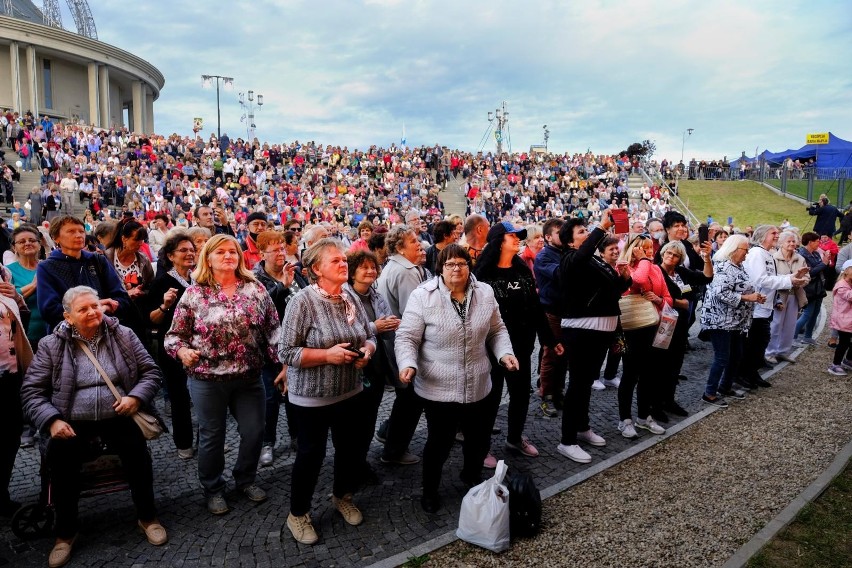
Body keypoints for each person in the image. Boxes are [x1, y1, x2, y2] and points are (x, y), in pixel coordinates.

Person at [21, 286, 166, 567]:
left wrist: (135, 397)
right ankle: (65, 533)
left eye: (95, 306)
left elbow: (151, 371)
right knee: (61, 466)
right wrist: (52, 420)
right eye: (83, 309)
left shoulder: (122, 334)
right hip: (72, 419)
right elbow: (32, 392)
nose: (92, 312)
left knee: (137, 456)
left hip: (119, 413)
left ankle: (148, 517)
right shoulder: (51, 344)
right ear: (68, 316)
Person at [164, 234, 281, 515]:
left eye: (233, 251)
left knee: (254, 431)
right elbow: (173, 337)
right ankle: (213, 488)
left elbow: (274, 332)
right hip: (207, 379)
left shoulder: (256, 290)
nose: (228, 256)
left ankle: (245, 479)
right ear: (209, 258)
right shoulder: (194, 294)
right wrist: (182, 352)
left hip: (249, 377)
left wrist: (285, 364)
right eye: (221, 252)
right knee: (212, 436)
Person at [395, 244, 517, 513]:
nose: (456, 269)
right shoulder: (423, 296)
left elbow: (497, 330)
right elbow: (407, 336)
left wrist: (504, 353)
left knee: (478, 440)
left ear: (469, 266)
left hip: (479, 383)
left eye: (461, 263)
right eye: (450, 264)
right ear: (440, 267)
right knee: (439, 443)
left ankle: (471, 477)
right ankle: (430, 490)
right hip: (439, 387)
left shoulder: (484, 292)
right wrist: (408, 363)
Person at [277, 239, 377, 544]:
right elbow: (287, 352)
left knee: (350, 449)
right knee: (311, 455)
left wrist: (369, 350)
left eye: (343, 259)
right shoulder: (302, 302)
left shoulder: (349, 296)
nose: (343, 264)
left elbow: (368, 332)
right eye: (335, 261)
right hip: (313, 397)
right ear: (316, 269)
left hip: (350, 391)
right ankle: (298, 514)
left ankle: (342, 495)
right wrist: (326, 356)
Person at [475, 222, 559, 461]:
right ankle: (481, 447)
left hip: (522, 345)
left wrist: (549, 339)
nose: (518, 239)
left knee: (521, 394)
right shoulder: (483, 273)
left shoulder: (521, 268)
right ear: (498, 241)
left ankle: (514, 438)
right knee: (490, 398)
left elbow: (535, 306)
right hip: (490, 349)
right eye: (512, 236)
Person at [557, 211, 631, 463]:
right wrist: (601, 227)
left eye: (587, 231)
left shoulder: (595, 262)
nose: (587, 234)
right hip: (581, 330)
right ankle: (566, 441)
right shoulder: (569, 259)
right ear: (568, 241)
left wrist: (624, 278)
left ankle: (582, 426)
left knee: (586, 382)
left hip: (601, 330)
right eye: (581, 232)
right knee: (577, 385)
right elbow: (579, 258)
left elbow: (613, 291)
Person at [345, 250, 400, 484]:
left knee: (369, 419)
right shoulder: (344, 296)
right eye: (364, 267)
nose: (370, 271)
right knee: (353, 422)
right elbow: (347, 331)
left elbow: (387, 321)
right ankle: (350, 465)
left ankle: (361, 461)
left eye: (373, 267)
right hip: (354, 368)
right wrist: (376, 327)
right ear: (352, 271)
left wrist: (391, 324)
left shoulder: (376, 295)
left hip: (377, 366)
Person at [252, 230, 305, 467]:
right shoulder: (255, 278)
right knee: (270, 397)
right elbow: (259, 310)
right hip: (268, 349)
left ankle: (297, 435)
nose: (280, 253)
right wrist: (281, 286)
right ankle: (267, 442)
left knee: (296, 393)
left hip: (296, 345)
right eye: (275, 250)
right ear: (263, 253)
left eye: (282, 248)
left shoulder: (295, 273)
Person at [375, 225, 426, 466]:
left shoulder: (395, 266)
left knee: (406, 397)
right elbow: (414, 313)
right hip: (404, 345)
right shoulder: (406, 271)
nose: (419, 243)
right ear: (399, 247)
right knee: (411, 399)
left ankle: (388, 433)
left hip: (394, 343)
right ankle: (394, 449)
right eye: (413, 240)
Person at [617, 232, 672, 438]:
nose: (650, 252)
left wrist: (658, 299)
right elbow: (637, 281)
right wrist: (643, 260)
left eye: (651, 248)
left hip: (653, 324)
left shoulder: (656, 268)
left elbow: (668, 297)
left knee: (649, 374)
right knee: (630, 374)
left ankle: (643, 416)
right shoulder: (624, 267)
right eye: (644, 248)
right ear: (634, 249)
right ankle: (625, 420)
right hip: (632, 328)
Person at [146, 232, 197, 459]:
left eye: (191, 250)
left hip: (201, 345)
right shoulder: (162, 282)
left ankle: (207, 439)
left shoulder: (200, 278)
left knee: (205, 396)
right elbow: (152, 319)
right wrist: (166, 305)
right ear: (170, 256)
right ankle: (184, 442)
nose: (189, 254)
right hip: (173, 347)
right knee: (179, 396)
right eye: (183, 250)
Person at [37, 216, 131, 336]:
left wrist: (105, 308)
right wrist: (94, 307)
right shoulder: (47, 267)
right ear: (56, 238)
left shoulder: (98, 260)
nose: (78, 235)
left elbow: (122, 299)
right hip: (67, 338)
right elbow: (49, 311)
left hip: (104, 333)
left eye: (81, 231)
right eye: (71, 231)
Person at [701, 236, 766, 406]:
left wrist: (755, 296)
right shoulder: (723, 267)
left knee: (736, 356)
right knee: (722, 358)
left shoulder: (740, 266)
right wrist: (748, 298)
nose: (748, 253)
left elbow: (746, 286)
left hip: (736, 322)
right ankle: (709, 393)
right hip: (720, 321)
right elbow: (720, 293)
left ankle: (725, 386)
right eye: (746, 249)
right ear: (735, 249)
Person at [741, 226, 809, 389]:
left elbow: (771, 277)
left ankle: (752, 372)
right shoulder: (758, 253)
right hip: (756, 308)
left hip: (765, 306)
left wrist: (791, 277)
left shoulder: (766, 254)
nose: (777, 235)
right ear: (763, 236)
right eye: (773, 233)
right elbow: (761, 280)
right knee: (755, 343)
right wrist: (788, 281)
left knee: (760, 342)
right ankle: (746, 374)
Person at [656, 240, 713, 415]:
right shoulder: (656, 271)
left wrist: (707, 258)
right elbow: (653, 296)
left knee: (675, 364)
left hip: (680, 325)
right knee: (660, 365)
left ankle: (669, 400)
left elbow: (707, 277)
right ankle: (655, 404)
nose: (671, 257)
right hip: (661, 324)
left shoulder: (681, 272)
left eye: (675, 255)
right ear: (663, 253)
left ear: (680, 258)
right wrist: (679, 303)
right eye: (668, 253)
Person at [0, 263, 32, 518]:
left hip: (10, 372)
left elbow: (21, 321)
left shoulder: (4, 275)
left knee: (10, 435)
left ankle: (2, 495)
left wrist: (17, 297)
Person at [534, 218, 567, 418]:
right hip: (551, 311)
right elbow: (562, 275)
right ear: (548, 237)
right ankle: (546, 395)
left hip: (566, 311)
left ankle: (559, 391)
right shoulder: (544, 256)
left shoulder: (564, 253)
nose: (564, 237)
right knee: (551, 354)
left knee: (565, 355)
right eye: (559, 233)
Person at [765, 232, 807, 362]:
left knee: (790, 325)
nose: (792, 244)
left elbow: (807, 276)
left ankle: (783, 351)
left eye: (793, 241)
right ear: (781, 243)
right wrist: (789, 280)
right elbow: (770, 277)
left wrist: (802, 281)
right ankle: (770, 352)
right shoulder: (773, 258)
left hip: (794, 295)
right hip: (778, 295)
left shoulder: (800, 258)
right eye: (789, 241)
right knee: (776, 324)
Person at [7, 224, 46, 348]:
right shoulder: (7, 271)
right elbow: (7, 298)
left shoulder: (48, 267)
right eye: (22, 241)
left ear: (39, 245)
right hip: (23, 335)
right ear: (14, 247)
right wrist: (33, 285)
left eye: (32, 240)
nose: (27, 243)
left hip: (52, 332)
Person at [794, 231, 828, 346]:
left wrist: (824, 263)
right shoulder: (802, 255)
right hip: (809, 288)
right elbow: (810, 272)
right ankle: (792, 336)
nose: (819, 243)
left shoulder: (816, 254)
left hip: (818, 288)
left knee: (815, 313)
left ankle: (808, 336)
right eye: (817, 241)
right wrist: (823, 263)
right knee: (807, 313)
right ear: (810, 242)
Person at [827, 259, 852, 375]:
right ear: (846, 272)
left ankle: (848, 360)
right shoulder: (841, 286)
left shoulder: (849, 284)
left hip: (848, 320)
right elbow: (849, 296)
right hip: (844, 321)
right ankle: (835, 365)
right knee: (844, 343)